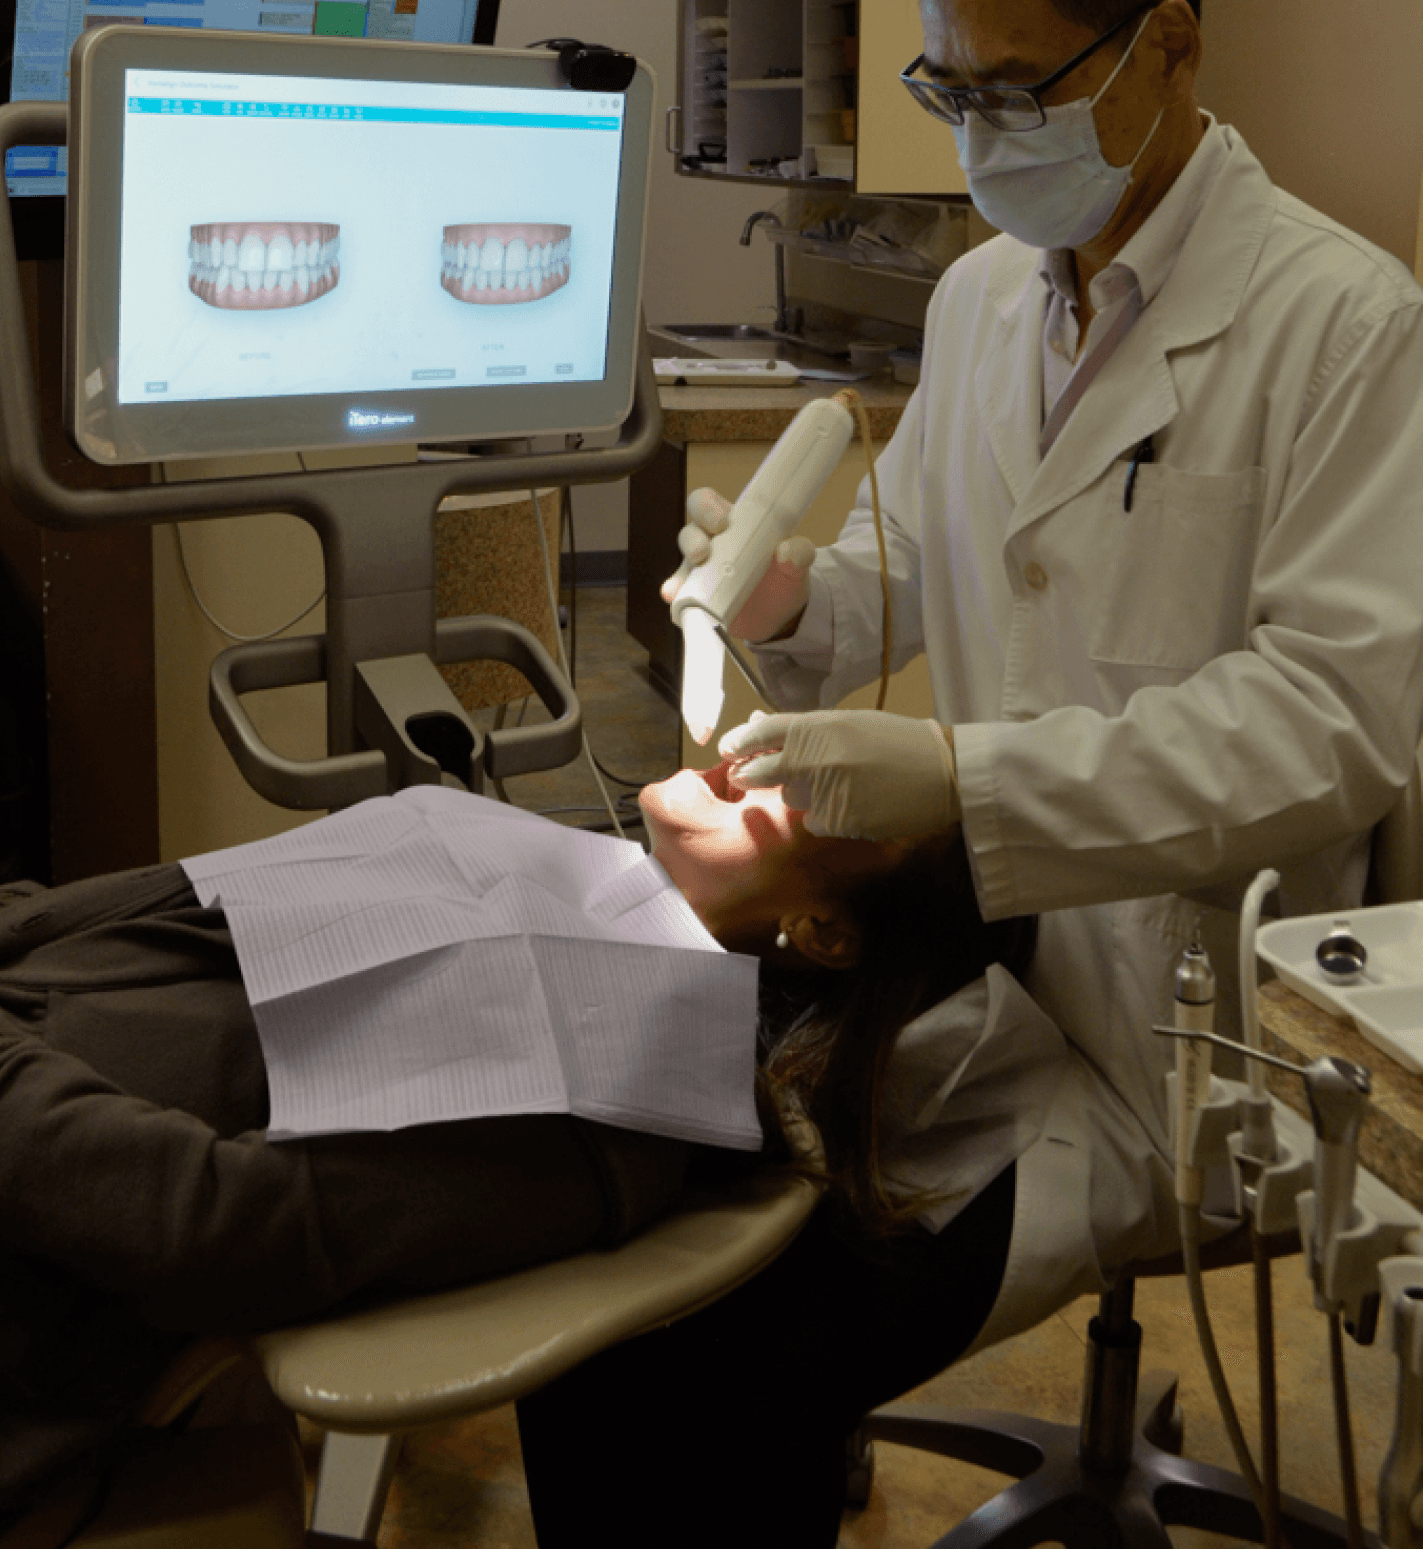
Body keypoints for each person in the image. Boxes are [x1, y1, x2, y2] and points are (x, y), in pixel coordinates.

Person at [518, 0, 1423, 1544]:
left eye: (1020, 88)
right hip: (970, 956)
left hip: (1168, 1034)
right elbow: (916, 559)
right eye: (950, 87)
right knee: (594, 1295)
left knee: (713, 1355)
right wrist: (796, 597)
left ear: (1168, 45)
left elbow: (1328, 725)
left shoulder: (1341, 323)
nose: (980, 130)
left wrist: (960, 779)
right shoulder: (982, 298)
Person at [0, 768, 1029, 1526]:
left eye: (844, 797)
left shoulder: (606, 1100)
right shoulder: (515, 859)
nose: (774, 762)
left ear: (825, 932)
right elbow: (75, 931)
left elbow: (207, 1220)